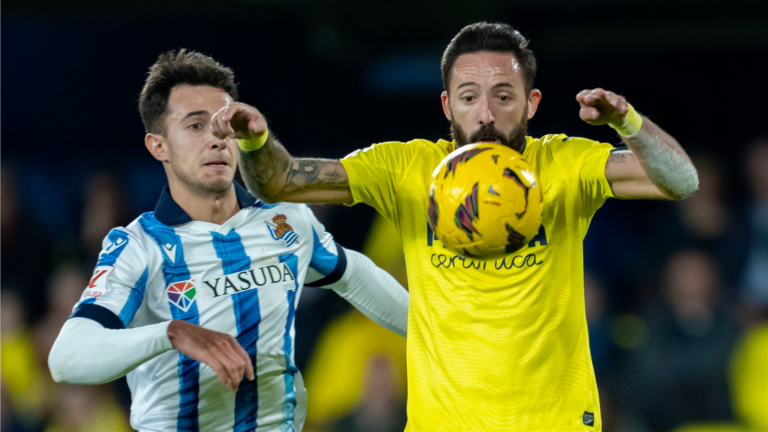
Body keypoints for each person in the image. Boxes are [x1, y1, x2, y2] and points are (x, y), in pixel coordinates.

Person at [213, 22, 699, 431]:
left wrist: (628, 123)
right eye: (469, 97)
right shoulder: (406, 170)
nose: (486, 114)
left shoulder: (565, 164)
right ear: (448, 106)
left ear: (531, 103)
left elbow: (682, 181)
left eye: (503, 96)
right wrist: (254, 142)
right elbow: (280, 182)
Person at [47, 50, 409, 432]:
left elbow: (356, 277)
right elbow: (67, 358)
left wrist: (446, 336)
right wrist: (171, 333)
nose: (216, 140)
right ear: (158, 146)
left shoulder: (285, 222)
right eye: (195, 126)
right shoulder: (140, 246)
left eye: (224, 125)